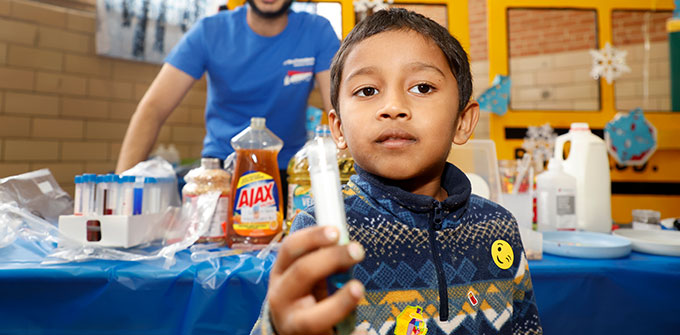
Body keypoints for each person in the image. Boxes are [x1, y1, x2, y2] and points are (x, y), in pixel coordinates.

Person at [251, 8, 543, 335]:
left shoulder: (498, 227)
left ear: (463, 121)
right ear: (338, 128)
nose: (392, 107)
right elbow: (289, 321)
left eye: (421, 87)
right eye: (367, 91)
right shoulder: (320, 231)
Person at [115, 0, 340, 178]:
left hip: (291, 170)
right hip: (222, 169)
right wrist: (122, 186)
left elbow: (339, 112)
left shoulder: (317, 31)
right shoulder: (209, 31)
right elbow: (153, 109)